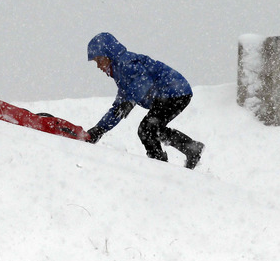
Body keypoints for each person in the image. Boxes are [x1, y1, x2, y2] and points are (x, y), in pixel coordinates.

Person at [84, 32, 205, 169]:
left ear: (109, 54)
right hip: (177, 93)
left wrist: (129, 101)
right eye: (95, 62)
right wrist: (99, 129)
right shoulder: (120, 74)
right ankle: (190, 148)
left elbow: (143, 81)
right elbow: (119, 107)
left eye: (99, 60)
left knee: (146, 129)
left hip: (173, 92)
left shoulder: (125, 63)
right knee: (151, 129)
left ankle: (161, 166)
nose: (98, 66)